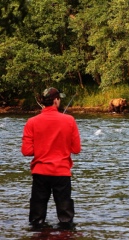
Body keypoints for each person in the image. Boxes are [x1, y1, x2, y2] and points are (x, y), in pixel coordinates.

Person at [21, 87, 81, 228]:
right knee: (66, 219)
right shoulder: (69, 120)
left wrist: (42, 147)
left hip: (40, 173)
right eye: (59, 98)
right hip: (61, 173)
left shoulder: (31, 122)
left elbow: (26, 151)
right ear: (56, 100)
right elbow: (76, 149)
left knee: (37, 218)